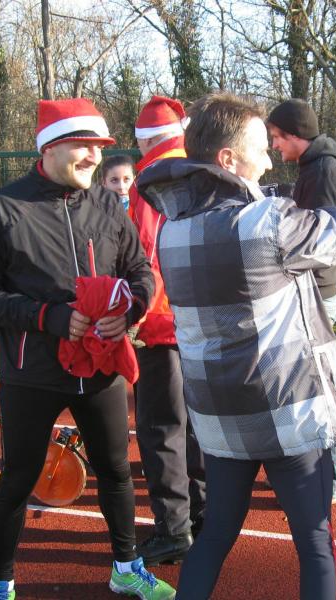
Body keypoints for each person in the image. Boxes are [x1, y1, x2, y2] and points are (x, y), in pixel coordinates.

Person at [135, 90, 336, 600]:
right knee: (315, 543)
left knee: (215, 536)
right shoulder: (267, 225)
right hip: (288, 412)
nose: (268, 160)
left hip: (219, 417)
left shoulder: (172, 230)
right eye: (260, 149)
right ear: (227, 159)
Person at [0, 97, 175, 600]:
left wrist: (132, 307)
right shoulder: (2, 208)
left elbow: (139, 270)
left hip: (100, 366)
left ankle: (125, 568)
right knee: (18, 478)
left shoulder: (107, 205)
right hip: (30, 372)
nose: (95, 156)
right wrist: (47, 317)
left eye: (100, 146)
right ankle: (1, 582)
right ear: (50, 148)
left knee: (115, 472)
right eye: (83, 145)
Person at [128, 95, 206, 566]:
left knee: (161, 431)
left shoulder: (149, 182)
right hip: (201, 323)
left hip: (160, 326)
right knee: (197, 427)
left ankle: (174, 530)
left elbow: (146, 256)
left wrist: (135, 315)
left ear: (145, 141)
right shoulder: (203, 172)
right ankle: (202, 513)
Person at [267, 98, 336, 504]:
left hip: (317, 292)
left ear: (295, 135)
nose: (274, 146)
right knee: (309, 388)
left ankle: (328, 481)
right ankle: (316, 476)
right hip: (314, 289)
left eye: (276, 138)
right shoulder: (313, 169)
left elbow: (319, 240)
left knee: (319, 391)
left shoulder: (323, 172)